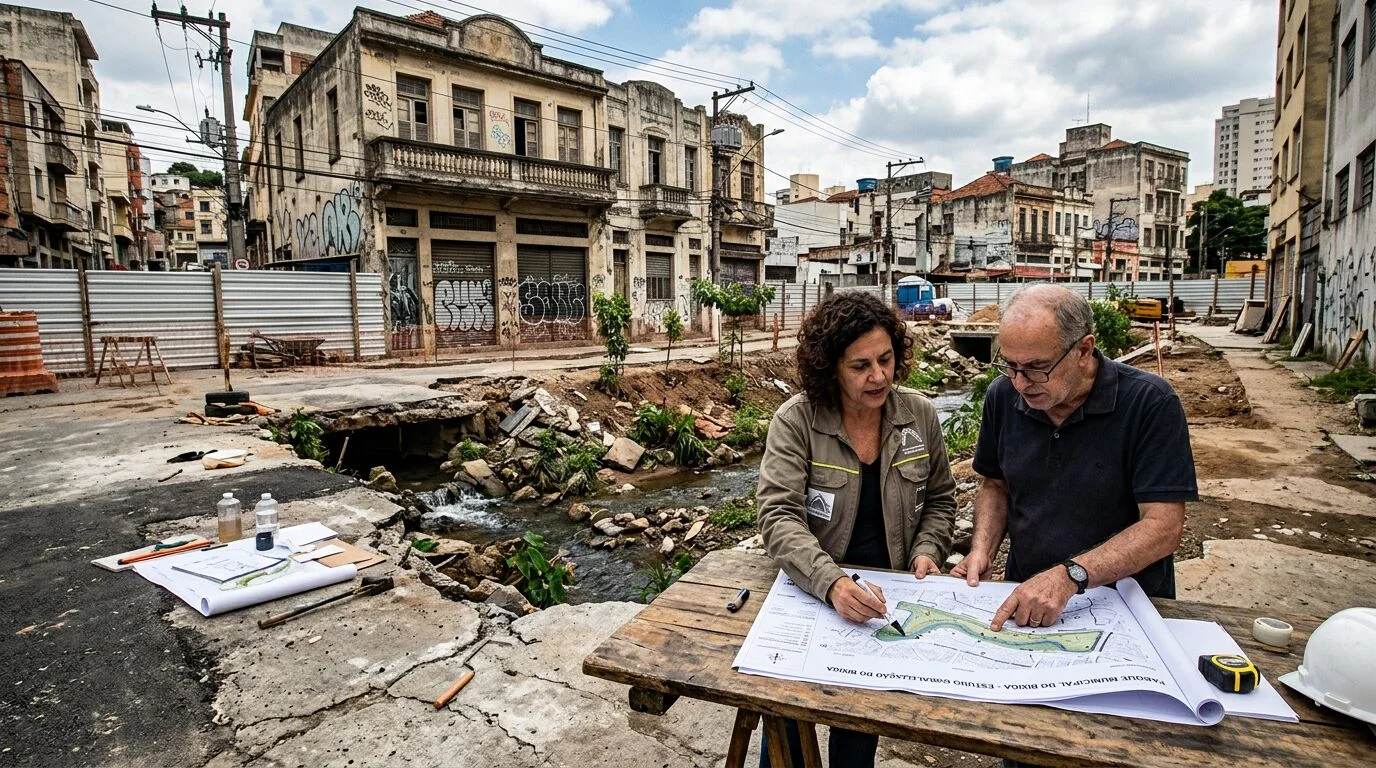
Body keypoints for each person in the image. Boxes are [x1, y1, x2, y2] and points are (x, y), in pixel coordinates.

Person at [757, 290, 957, 767]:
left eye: (886, 359)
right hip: (811, 593)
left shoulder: (920, 416)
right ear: (830, 368)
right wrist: (831, 583)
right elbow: (778, 515)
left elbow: (942, 500)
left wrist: (927, 551)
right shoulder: (797, 421)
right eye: (860, 366)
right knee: (787, 727)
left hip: (881, 605)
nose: (879, 376)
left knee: (857, 732)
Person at [953, 283, 1197, 635]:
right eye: (1010, 365)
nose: (1020, 383)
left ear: (1084, 349)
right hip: (1027, 602)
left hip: (1127, 607)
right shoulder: (1002, 396)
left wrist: (1070, 575)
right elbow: (996, 485)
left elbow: (1163, 527)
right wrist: (982, 550)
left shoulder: (1150, 403)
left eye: (1037, 367)